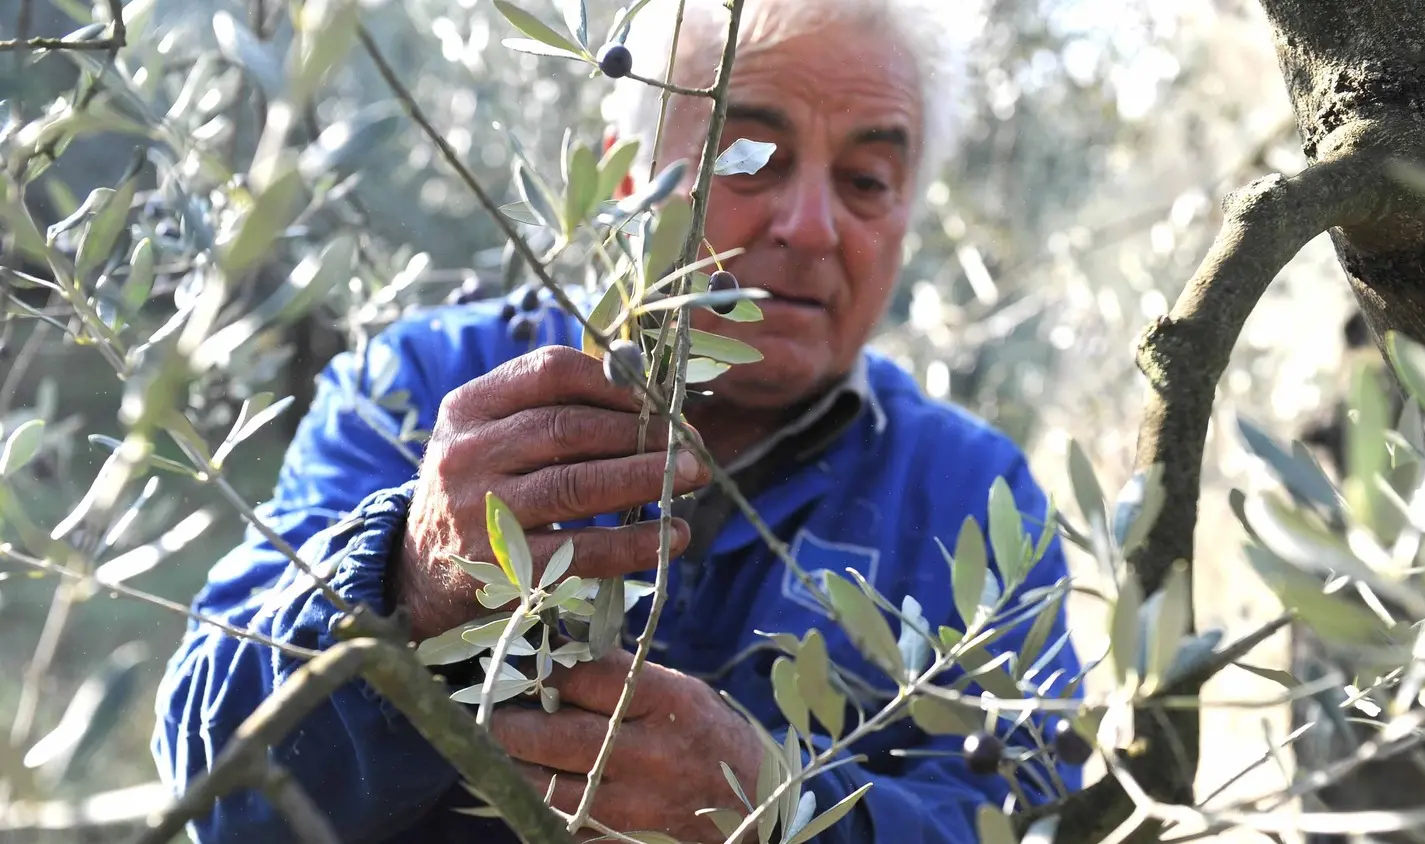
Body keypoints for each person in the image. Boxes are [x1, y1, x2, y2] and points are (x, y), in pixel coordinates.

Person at [152, 0, 1085, 841]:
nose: (811, 225)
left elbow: (1044, 813)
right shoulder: (420, 389)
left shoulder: (971, 494)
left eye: (868, 179)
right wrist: (409, 578)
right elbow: (216, 784)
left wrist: (787, 811)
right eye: (744, 156)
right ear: (623, 175)